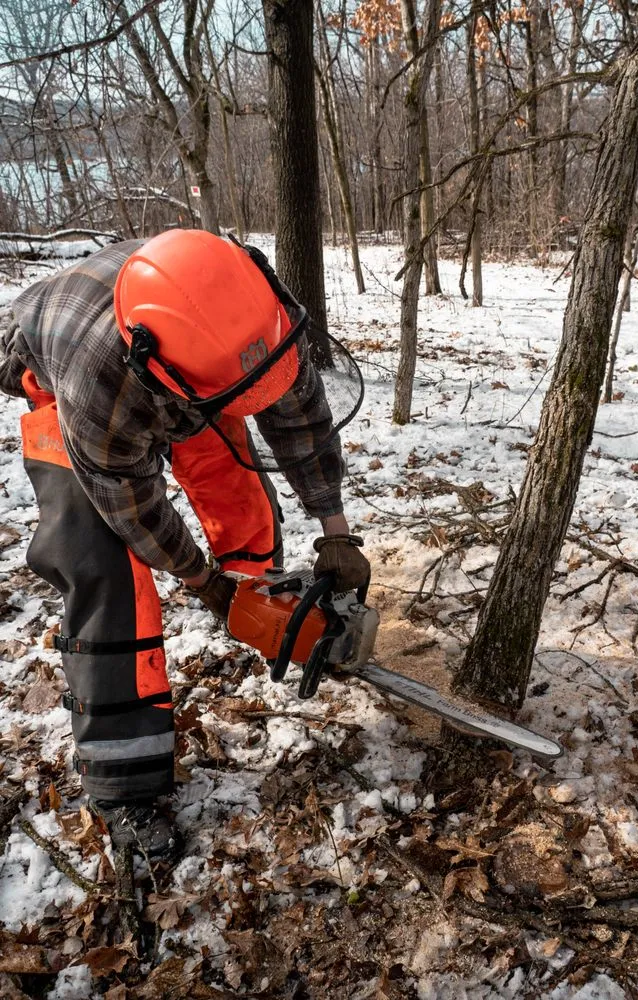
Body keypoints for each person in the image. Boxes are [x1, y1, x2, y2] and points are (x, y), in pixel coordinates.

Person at [0, 229, 370, 860]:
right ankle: (124, 780)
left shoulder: (247, 313)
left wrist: (334, 527)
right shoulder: (102, 392)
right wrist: (205, 584)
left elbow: (297, 412)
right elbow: (138, 514)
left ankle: (265, 607)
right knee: (105, 568)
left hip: (175, 352)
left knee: (238, 485)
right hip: (63, 370)